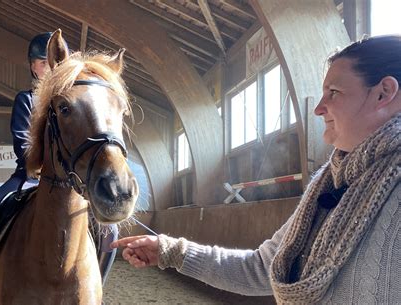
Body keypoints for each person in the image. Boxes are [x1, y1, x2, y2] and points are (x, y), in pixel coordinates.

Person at [111, 35, 401, 304]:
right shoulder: (326, 183)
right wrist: (170, 251)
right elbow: (263, 268)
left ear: (383, 93)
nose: (319, 108)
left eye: (334, 93)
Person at [0, 32, 118, 305]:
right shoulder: (26, 100)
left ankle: (97, 287)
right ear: (32, 66)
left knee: (110, 232)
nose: (45, 67)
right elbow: (21, 141)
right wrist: (33, 166)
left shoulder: (73, 100)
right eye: (39, 63)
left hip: (70, 177)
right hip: (28, 176)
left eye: (48, 62)